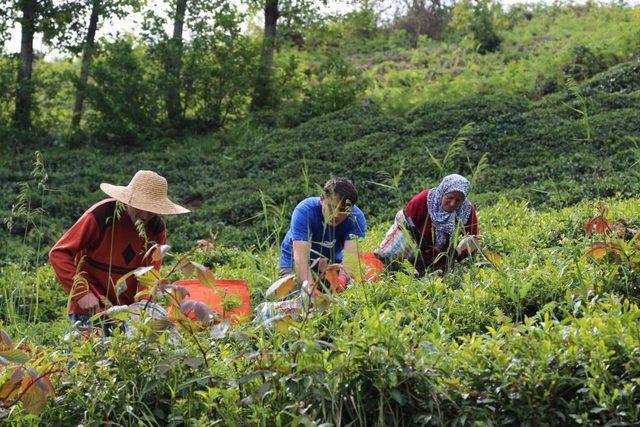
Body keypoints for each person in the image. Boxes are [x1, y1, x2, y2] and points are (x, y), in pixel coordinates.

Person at [49, 170, 189, 334]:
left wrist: (143, 307)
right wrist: (82, 293)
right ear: (129, 199)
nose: (144, 215)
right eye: (140, 207)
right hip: (89, 309)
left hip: (125, 313)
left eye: (151, 210)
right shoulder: (102, 215)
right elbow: (59, 253)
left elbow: (150, 275)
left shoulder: (156, 228)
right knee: (85, 358)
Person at [375, 174, 479, 276]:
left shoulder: (466, 211)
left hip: (444, 256)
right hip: (415, 247)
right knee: (388, 259)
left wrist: (456, 253)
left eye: (458, 200)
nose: (452, 203)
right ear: (443, 192)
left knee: (437, 277)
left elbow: (473, 239)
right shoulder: (424, 200)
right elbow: (405, 223)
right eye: (450, 197)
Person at [279, 177, 367, 286]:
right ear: (322, 199)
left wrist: (341, 283)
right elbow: (300, 259)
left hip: (331, 264)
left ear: (350, 208)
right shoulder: (304, 211)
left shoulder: (356, 218)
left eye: (342, 210)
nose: (336, 215)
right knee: (299, 297)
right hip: (294, 263)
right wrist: (310, 289)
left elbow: (351, 257)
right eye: (332, 207)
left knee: (350, 288)